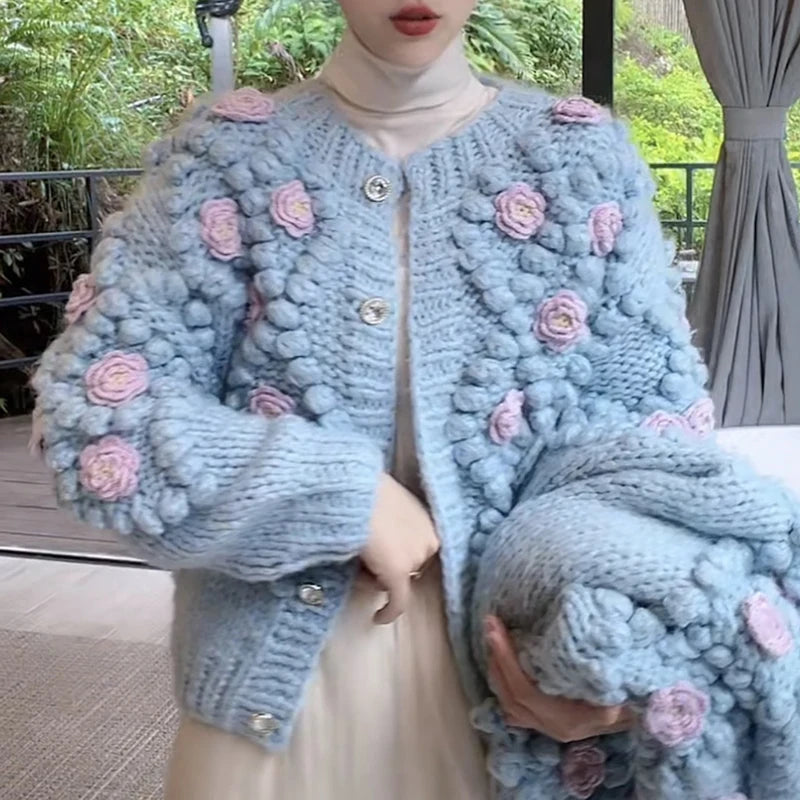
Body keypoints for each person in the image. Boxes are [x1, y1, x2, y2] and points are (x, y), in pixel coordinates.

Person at [31, 1, 718, 797]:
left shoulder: (584, 160)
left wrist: (624, 657)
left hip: (528, 704)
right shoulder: (222, 158)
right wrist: (339, 495)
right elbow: (95, 422)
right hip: (282, 714)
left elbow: (659, 459)